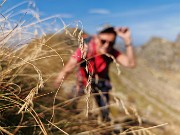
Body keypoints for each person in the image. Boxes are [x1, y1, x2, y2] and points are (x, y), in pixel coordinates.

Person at [54, 26, 136, 122]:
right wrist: (54, 90)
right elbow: (67, 69)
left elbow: (130, 64)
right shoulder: (85, 48)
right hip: (83, 80)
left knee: (105, 112)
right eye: (103, 41)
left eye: (111, 43)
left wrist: (127, 40)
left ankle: (104, 127)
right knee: (69, 104)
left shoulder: (111, 51)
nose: (106, 45)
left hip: (101, 82)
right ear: (96, 38)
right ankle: (66, 119)